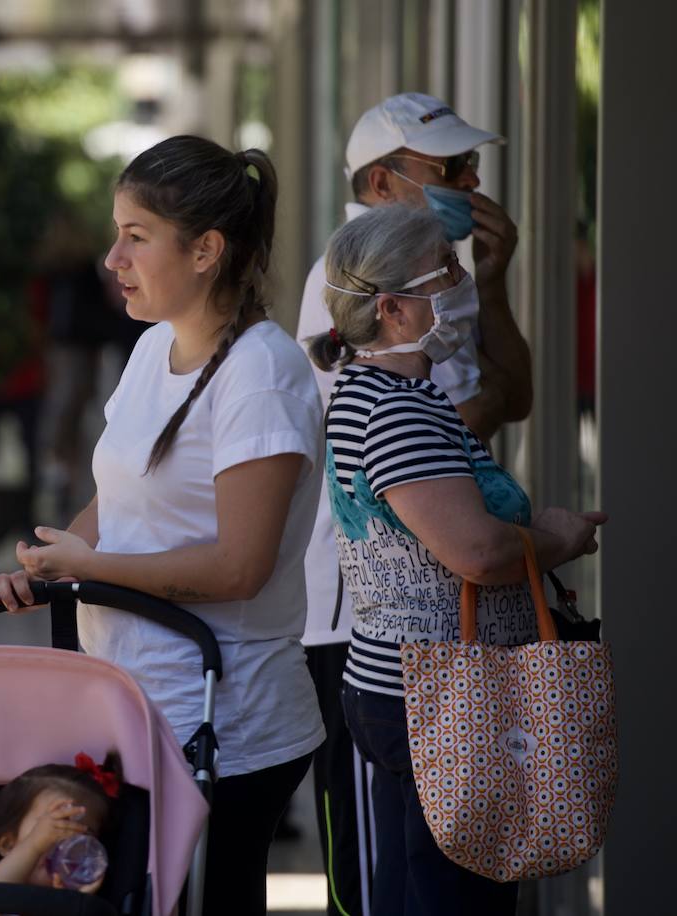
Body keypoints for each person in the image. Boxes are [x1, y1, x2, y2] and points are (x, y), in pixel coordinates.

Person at [0, 136, 325, 915]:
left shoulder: (261, 373)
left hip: (225, 725)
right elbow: (118, 500)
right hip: (136, 708)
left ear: (206, 250)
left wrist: (87, 570)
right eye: (116, 233)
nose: (112, 258)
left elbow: (241, 567)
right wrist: (43, 565)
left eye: (136, 236)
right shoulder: (150, 351)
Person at [307, 204, 603, 916]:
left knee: (424, 889)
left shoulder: (381, 393)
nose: (460, 276)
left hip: (412, 686)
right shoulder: (396, 411)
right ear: (395, 309)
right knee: (451, 900)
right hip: (440, 695)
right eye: (444, 268)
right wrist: (561, 537)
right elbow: (476, 552)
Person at [293, 92, 535, 916]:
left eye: (473, 164)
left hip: (456, 620)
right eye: (451, 168)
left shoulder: (446, 273)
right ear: (383, 181)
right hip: (373, 620)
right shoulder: (358, 272)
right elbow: (387, 437)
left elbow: (517, 395)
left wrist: (494, 287)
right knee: (377, 872)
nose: (472, 181)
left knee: (454, 859)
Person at [0, 753, 119, 909]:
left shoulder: (74, 905)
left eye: (80, 835)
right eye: (52, 827)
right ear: (8, 844)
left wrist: (74, 904)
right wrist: (34, 845)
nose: (62, 840)